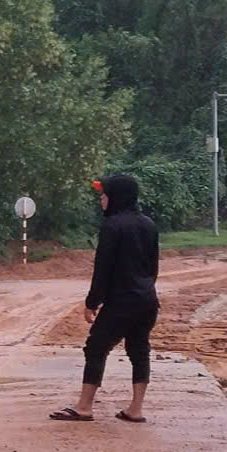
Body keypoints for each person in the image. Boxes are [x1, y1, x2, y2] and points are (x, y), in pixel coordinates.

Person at [50, 172, 160, 424]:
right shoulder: (149, 224)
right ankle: (135, 409)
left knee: (96, 347)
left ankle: (84, 407)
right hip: (147, 301)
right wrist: (143, 289)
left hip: (121, 302)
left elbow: (103, 269)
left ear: (116, 197)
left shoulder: (112, 226)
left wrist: (92, 302)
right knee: (139, 350)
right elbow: (153, 267)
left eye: (104, 194)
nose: (101, 199)